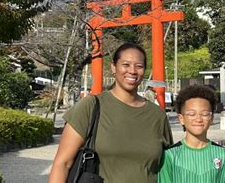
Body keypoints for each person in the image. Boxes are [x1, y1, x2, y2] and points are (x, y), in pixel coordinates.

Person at [49, 42, 173, 183]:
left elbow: (168, 166)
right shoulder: (91, 106)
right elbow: (62, 163)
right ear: (113, 67)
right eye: (126, 65)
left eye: (139, 66)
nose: (132, 71)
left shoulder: (157, 115)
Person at [158, 85, 225, 183]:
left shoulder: (224, 155)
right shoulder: (170, 155)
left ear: (212, 118)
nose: (198, 119)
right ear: (181, 119)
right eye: (191, 114)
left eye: (204, 114)